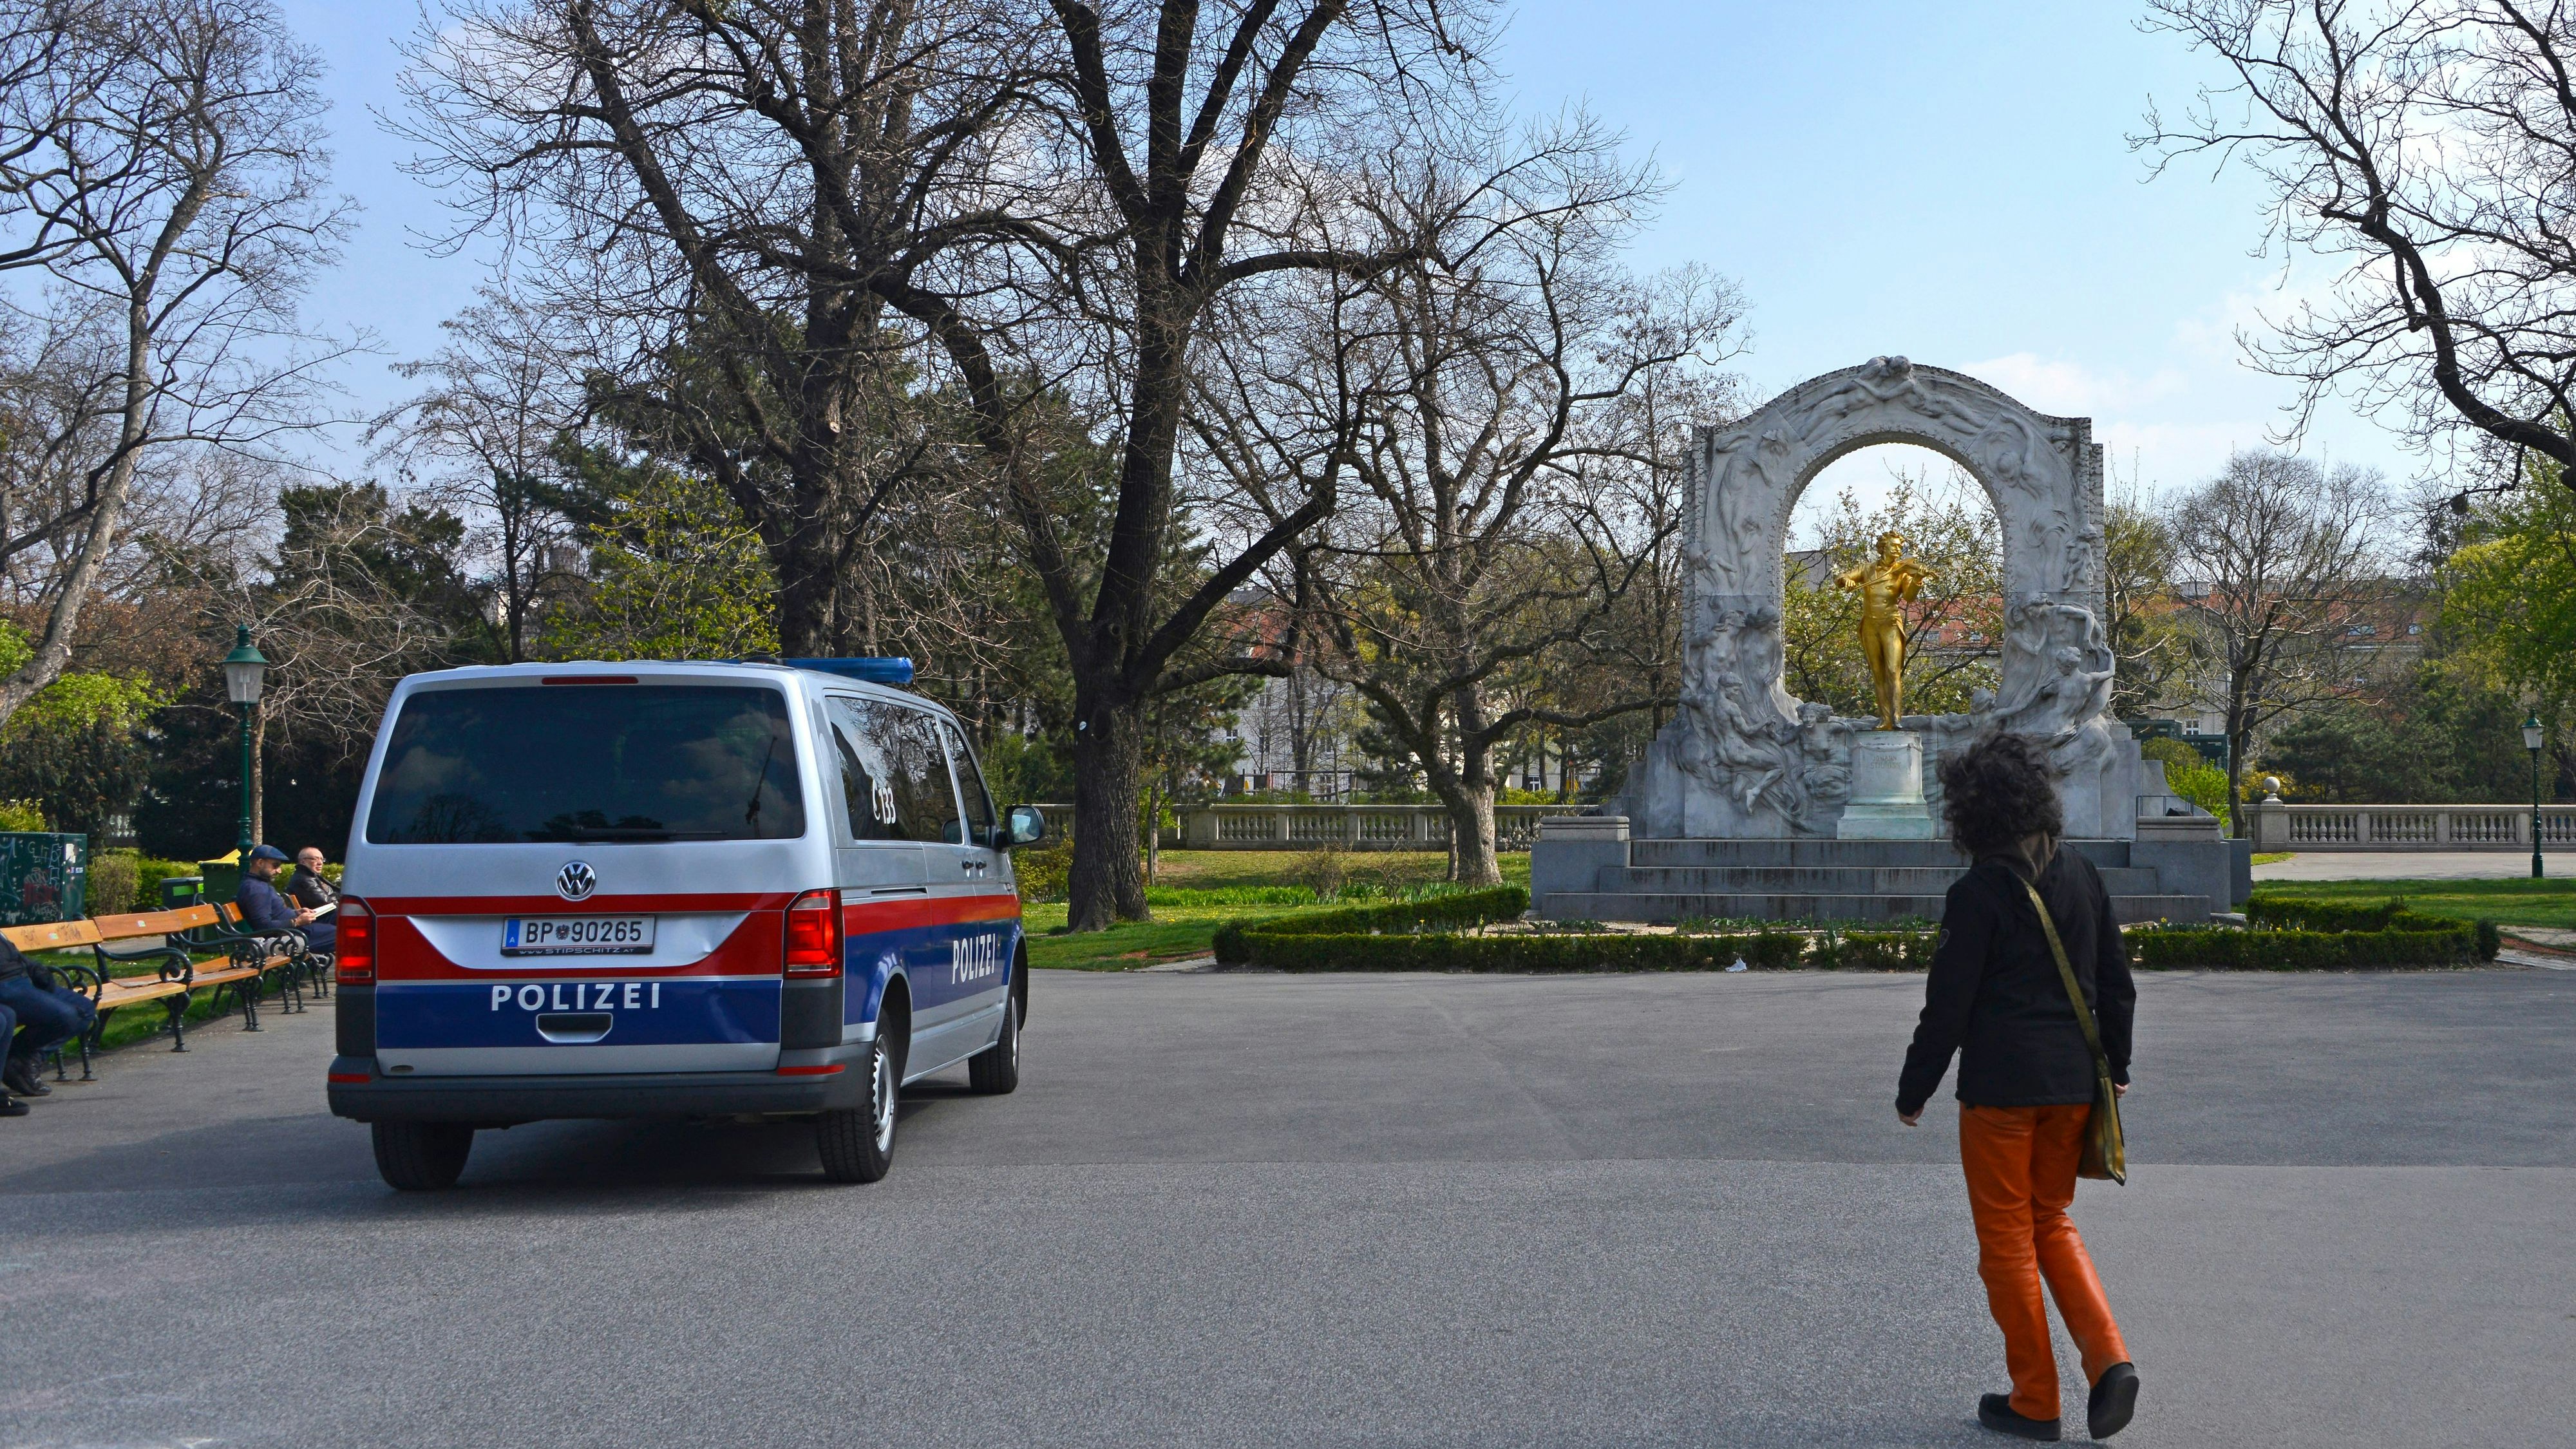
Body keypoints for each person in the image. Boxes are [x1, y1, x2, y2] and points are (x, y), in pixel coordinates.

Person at [1897, 732, 2141, 1442]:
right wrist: (2115, 1069)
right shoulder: (2082, 875)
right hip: (2072, 1086)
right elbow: (2116, 985)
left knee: (2005, 1237)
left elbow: (1948, 1006)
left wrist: (1914, 1089)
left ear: (1971, 814)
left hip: (2001, 1091)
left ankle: (2035, 1398)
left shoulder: (1977, 893)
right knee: (2052, 1220)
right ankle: (2109, 1361)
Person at [1, 931, 95, 1107]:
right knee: (65, 1015)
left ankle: (20, 1059)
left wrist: (34, 968)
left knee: (85, 1009)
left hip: (22, 979)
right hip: (6, 985)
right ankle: (16, 1062)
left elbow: (12, 953)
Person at [238, 844, 334, 956]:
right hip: (288, 935)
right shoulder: (255, 889)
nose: (279, 871)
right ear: (260, 863)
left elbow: (276, 914)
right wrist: (297, 922)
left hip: (294, 931)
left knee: (341, 929)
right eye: (275, 866)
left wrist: (296, 913)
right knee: (344, 934)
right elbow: (263, 926)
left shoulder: (259, 884)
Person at [289, 847, 340, 913]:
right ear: (303, 862)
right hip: (320, 918)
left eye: (322, 859)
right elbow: (326, 903)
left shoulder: (310, 876)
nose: (320, 863)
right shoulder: (304, 880)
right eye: (315, 859)